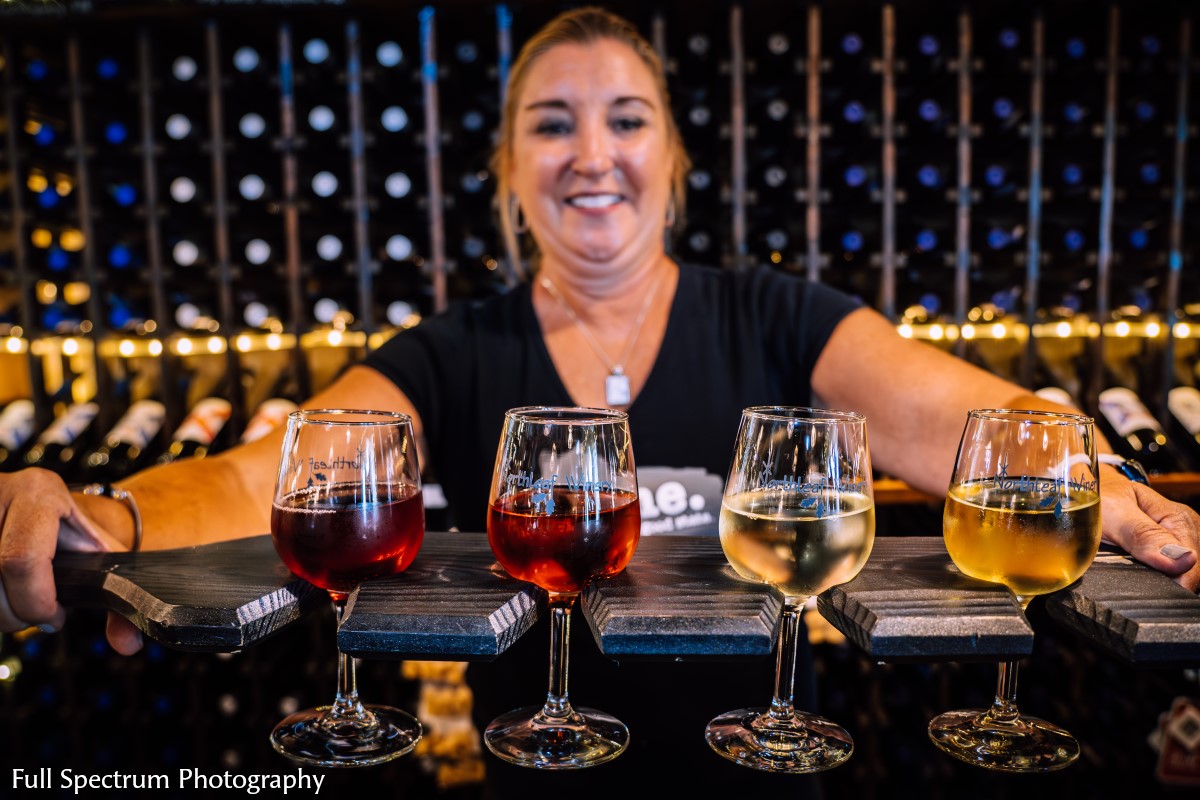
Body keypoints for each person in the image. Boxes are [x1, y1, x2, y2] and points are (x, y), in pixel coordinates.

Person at [1, 4, 1197, 793]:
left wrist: (1124, 498)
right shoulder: (455, 352)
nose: (590, 155)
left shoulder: (776, 316)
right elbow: (263, 475)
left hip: (767, 771)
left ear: (670, 157)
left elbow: (967, 419)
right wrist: (107, 514)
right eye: (551, 125)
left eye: (626, 121)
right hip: (542, 774)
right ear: (509, 169)